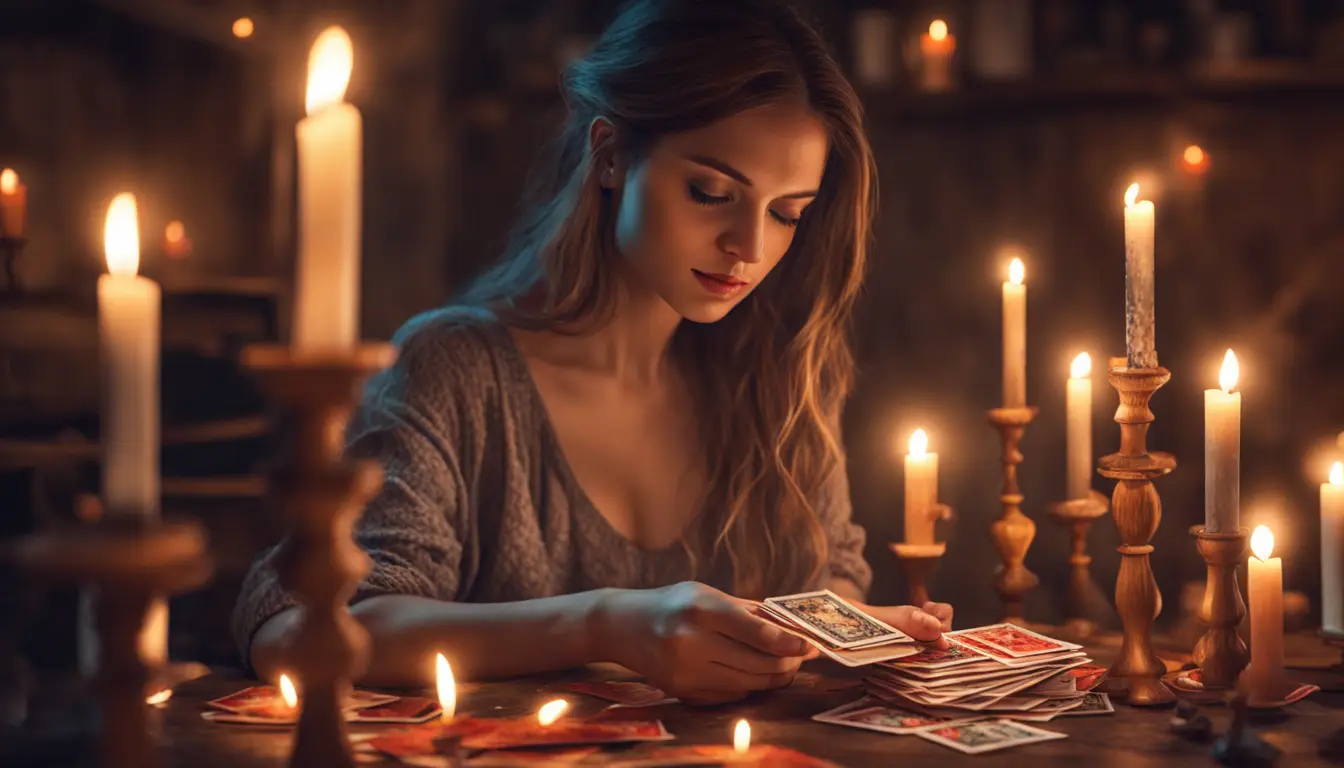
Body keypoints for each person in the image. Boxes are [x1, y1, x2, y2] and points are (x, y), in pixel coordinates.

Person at [234, 0, 953, 705]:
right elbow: (302, 628)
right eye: (710, 192)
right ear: (610, 155)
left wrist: (824, 635)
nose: (751, 247)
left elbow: (834, 581)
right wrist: (605, 624)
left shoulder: (781, 377)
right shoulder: (455, 370)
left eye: (786, 212)